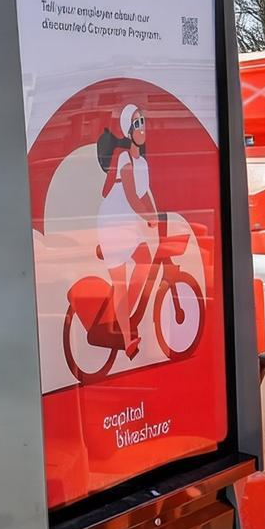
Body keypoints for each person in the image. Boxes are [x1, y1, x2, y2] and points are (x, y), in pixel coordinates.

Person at [96, 105, 158, 355]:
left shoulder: (142, 161)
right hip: (112, 221)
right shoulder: (124, 158)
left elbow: (144, 196)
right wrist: (149, 217)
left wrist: (156, 214)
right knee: (120, 282)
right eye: (136, 123)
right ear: (128, 130)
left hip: (127, 223)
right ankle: (125, 337)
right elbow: (132, 196)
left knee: (144, 261)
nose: (142, 127)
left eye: (143, 121)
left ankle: (124, 317)